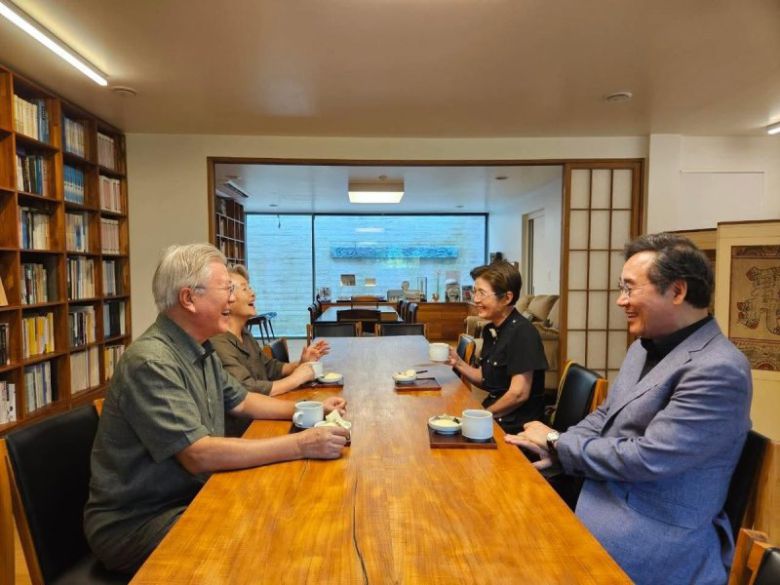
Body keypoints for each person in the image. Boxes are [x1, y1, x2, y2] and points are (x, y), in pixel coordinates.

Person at [84, 244, 349, 573]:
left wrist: (313, 408)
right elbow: (198, 455)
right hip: (140, 521)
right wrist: (300, 444)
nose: (232, 298)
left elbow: (243, 400)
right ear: (189, 298)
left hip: (190, 495)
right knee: (267, 538)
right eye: (226, 289)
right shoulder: (151, 362)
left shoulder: (200, 347)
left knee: (285, 511)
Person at [506, 233, 752, 585]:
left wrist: (558, 442)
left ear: (677, 291)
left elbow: (648, 458)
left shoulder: (718, 368)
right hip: (596, 494)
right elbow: (605, 415)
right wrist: (556, 448)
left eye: (629, 289)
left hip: (652, 535)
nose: (621, 301)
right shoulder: (643, 346)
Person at [448, 261, 548, 435]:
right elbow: (485, 378)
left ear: (507, 298)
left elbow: (519, 394)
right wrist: (457, 362)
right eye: (475, 292)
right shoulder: (491, 330)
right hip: (495, 415)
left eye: (482, 293)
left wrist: (483, 415)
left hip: (517, 426)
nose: (475, 299)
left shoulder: (523, 333)